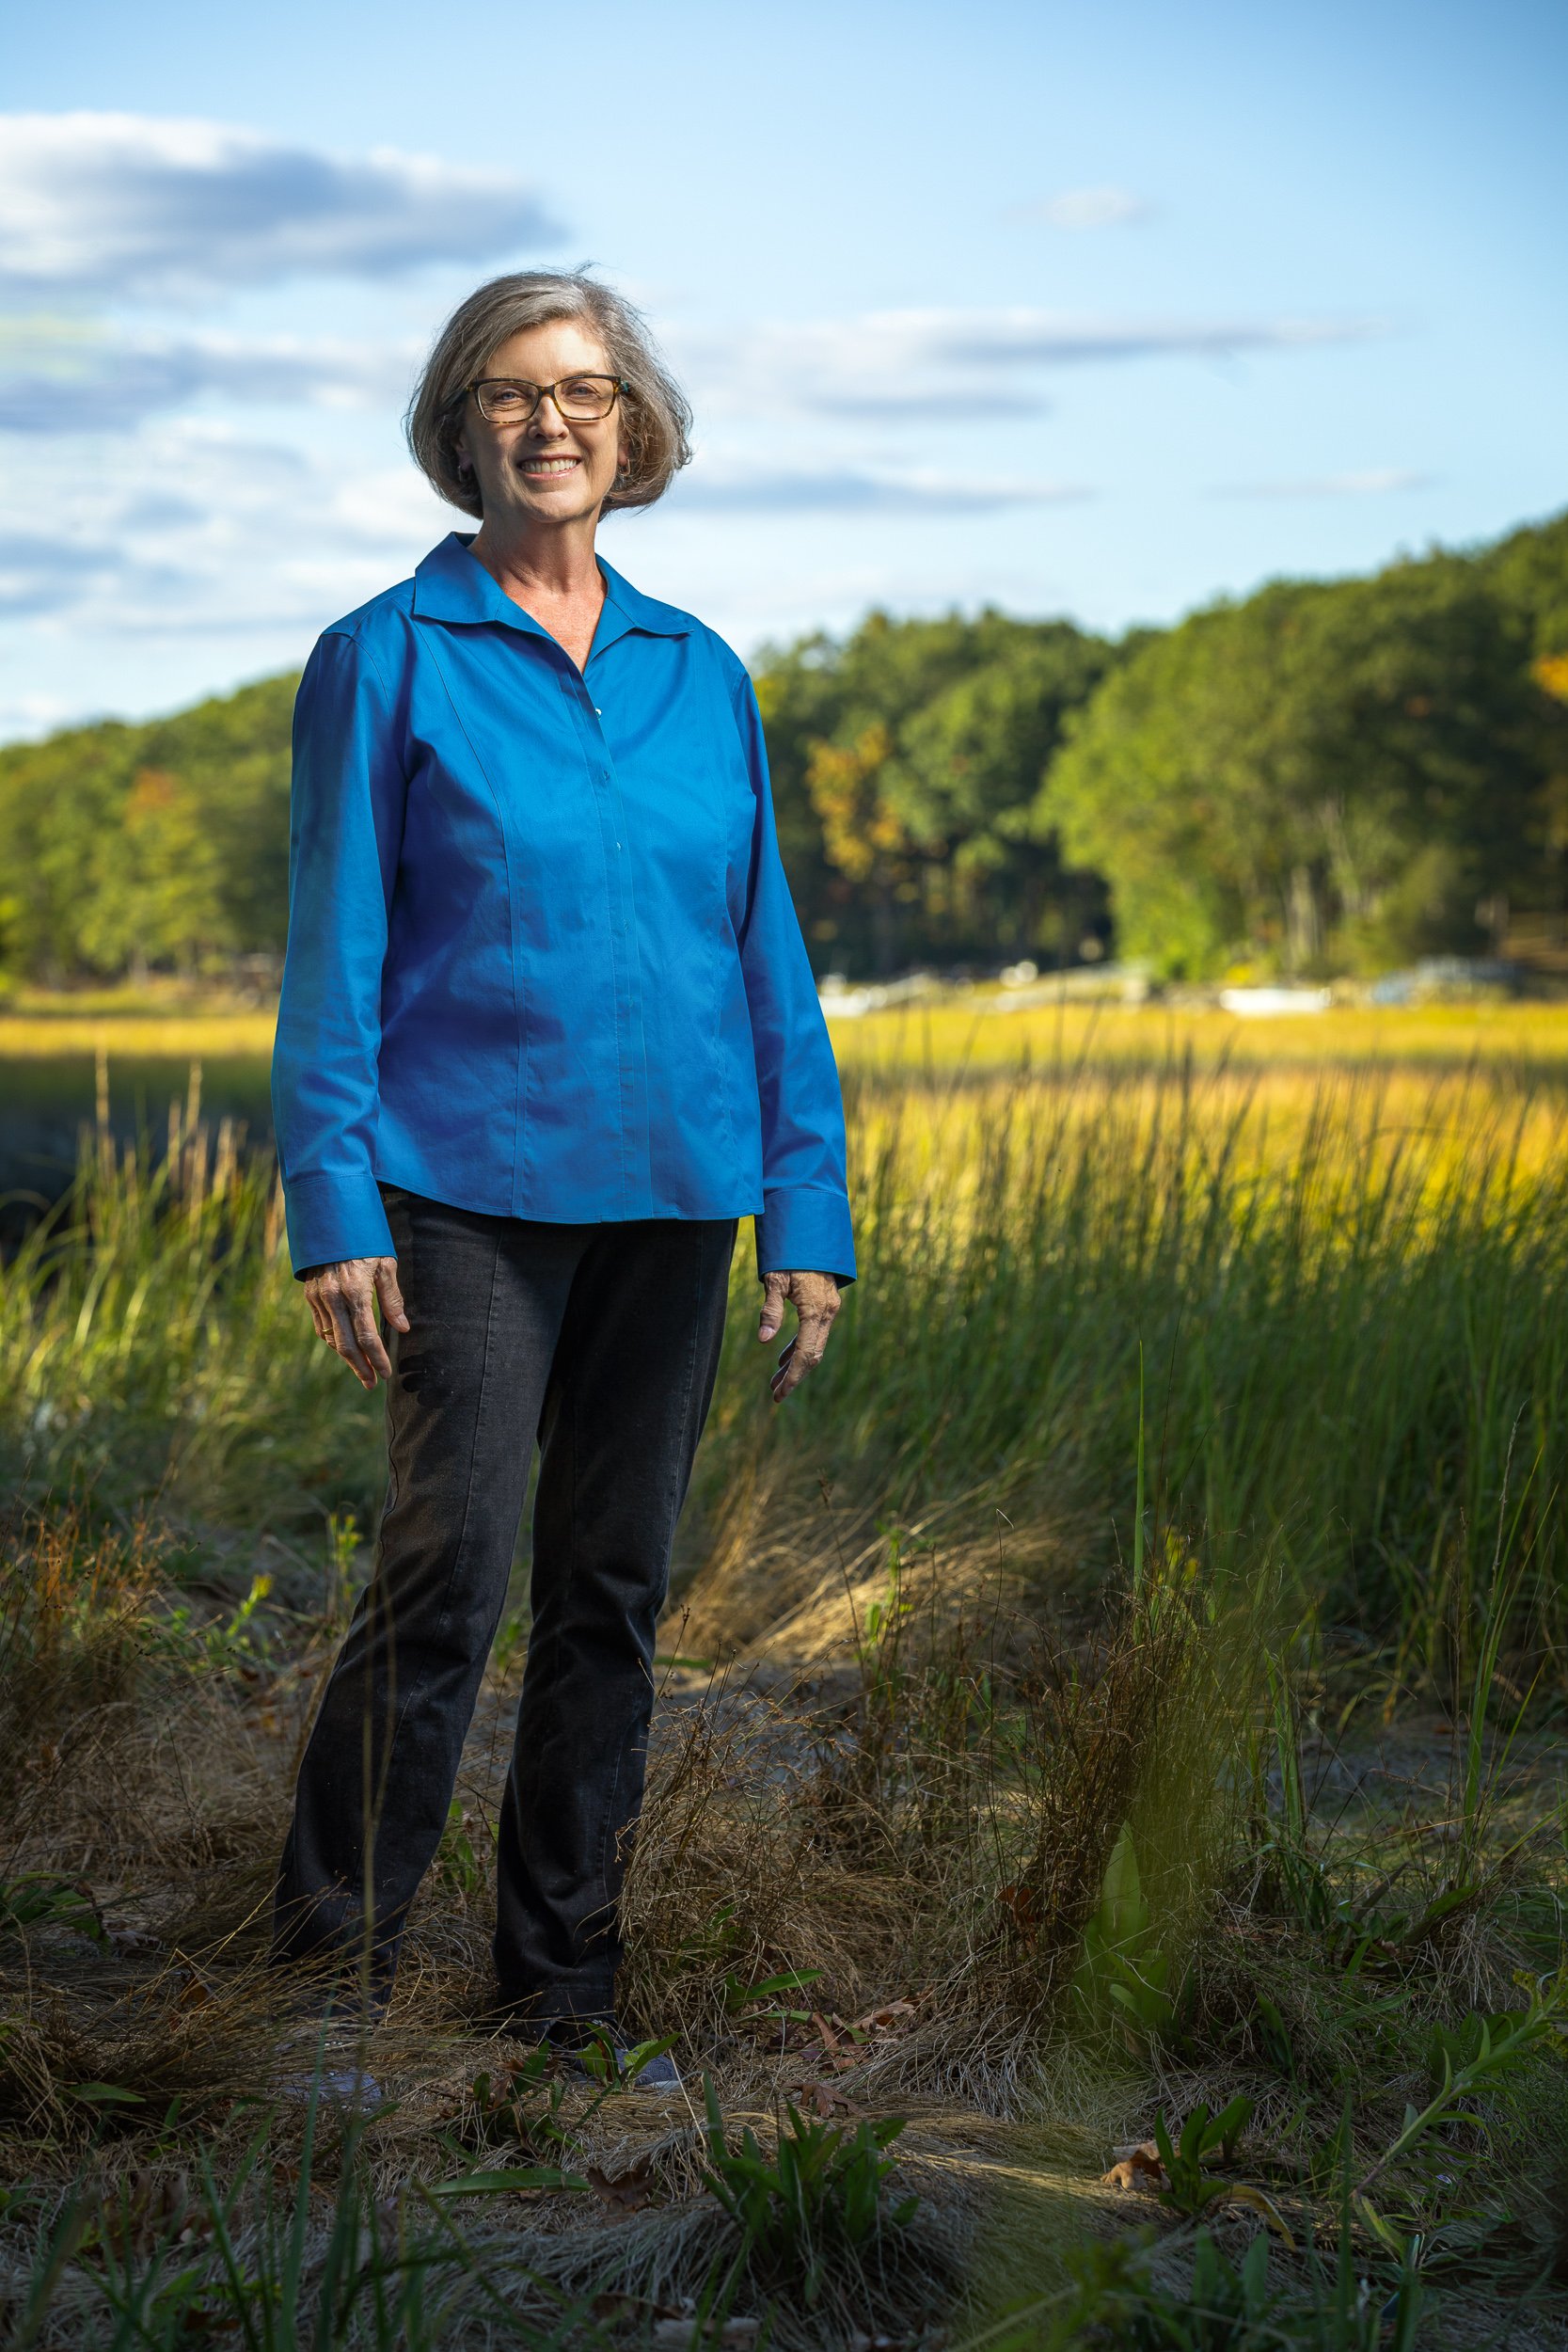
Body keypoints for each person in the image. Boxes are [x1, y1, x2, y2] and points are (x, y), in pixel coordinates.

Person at [267, 270, 854, 2087]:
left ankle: (560, 1996)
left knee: (612, 1592)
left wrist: (805, 1208)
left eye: (586, 391)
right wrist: (331, 1200)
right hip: (463, 1191)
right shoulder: (390, 655)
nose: (554, 423)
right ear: (463, 425)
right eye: (515, 394)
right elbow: (334, 950)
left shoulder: (703, 673)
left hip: (676, 1193)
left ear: (635, 425)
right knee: (445, 1579)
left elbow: (766, 956)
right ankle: (324, 1985)